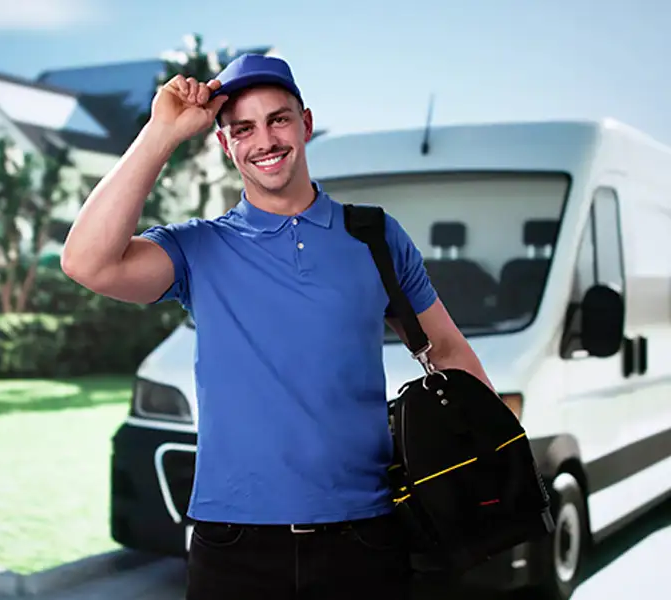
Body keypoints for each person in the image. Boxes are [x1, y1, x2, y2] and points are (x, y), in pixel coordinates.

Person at [61, 53, 494, 600]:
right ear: (226, 146)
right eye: (243, 128)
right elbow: (87, 263)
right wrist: (161, 134)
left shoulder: (375, 236)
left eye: (278, 120)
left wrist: (499, 463)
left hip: (366, 536)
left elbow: (447, 350)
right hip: (234, 545)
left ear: (305, 124)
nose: (264, 140)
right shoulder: (198, 247)